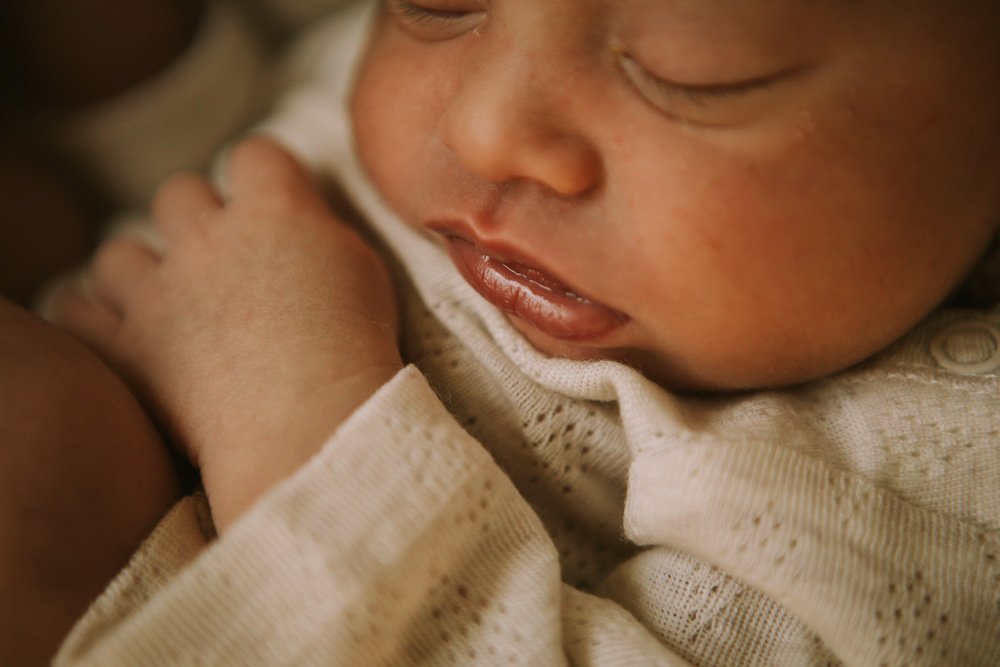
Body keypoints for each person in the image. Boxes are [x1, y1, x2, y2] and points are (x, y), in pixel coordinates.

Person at [2, 0, 999, 664]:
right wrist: (136, 103)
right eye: (438, 1)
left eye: (692, 73)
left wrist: (289, 403)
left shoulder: (939, 485)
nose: (483, 126)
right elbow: (240, 159)